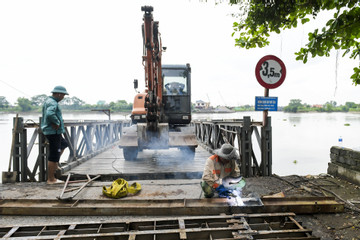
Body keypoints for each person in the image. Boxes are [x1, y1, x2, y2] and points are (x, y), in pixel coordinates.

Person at [40, 86, 69, 184]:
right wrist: (56, 122)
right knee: (54, 154)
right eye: (63, 95)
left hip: (55, 132)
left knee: (64, 144)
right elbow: (49, 114)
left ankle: (55, 164)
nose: (63, 97)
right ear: (59, 94)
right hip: (53, 132)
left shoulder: (50, 101)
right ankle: (51, 179)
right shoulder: (52, 102)